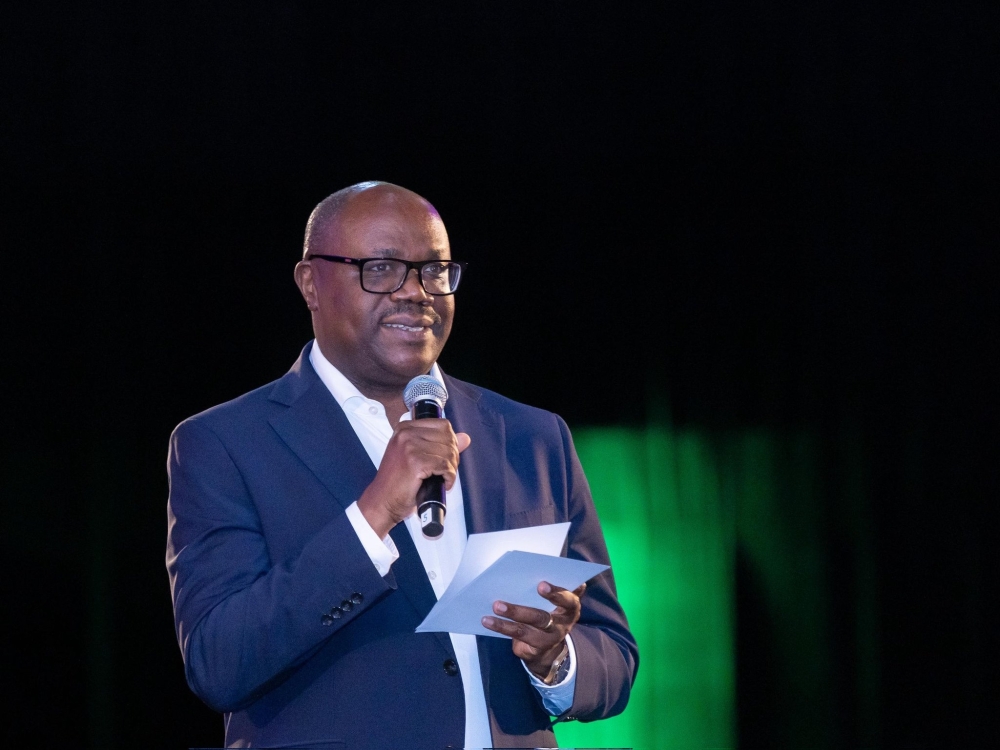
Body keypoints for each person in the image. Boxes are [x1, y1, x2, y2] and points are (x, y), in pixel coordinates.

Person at [166, 181, 638, 749]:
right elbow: (220, 663)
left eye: (435, 270)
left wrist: (555, 657)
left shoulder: (533, 437)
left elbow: (613, 656)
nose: (417, 293)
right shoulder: (224, 443)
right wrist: (372, 515)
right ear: (310, 283)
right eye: (382, 268)